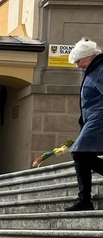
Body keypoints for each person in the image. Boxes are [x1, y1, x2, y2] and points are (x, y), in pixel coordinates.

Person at [64, 38, 103, 212]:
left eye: (79, 61)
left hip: (99, 119)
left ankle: (84, 199)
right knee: (80, 154)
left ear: (89, 56)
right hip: (93, 120)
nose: (78, 66)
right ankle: (84, 199)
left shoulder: (100, 69)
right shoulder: (94, 70)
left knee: (80, 154)